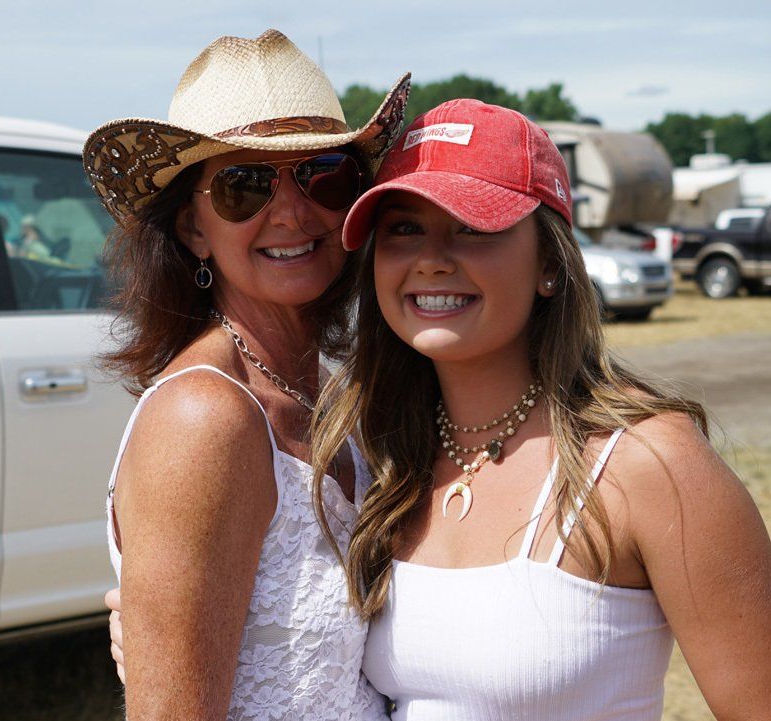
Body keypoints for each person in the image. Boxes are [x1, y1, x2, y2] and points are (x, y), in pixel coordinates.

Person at [305, 98, 771, 720]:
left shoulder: (645, 461)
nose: (433, 258)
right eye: (404, 228)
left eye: (474, 226)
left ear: (550, 263)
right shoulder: (379, 454)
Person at [85, 29, 410, 721]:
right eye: (244, 185)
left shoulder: (332, 393)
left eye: (322, 173)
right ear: (193, 230)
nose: (291, 211)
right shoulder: (204, 416)